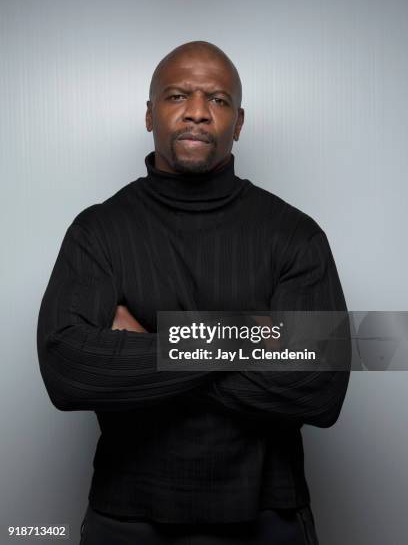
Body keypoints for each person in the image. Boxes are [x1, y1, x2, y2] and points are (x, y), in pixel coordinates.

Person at [37, 40, 351, 544]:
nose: (199, 113)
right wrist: (251, 338)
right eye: (178, 95)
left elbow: (322, 389)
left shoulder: (295, 234)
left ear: (239, 122)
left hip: (268, 518)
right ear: (149, 114)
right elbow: (66, 372)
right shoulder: (97, 231)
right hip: (127, 519)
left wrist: (148, 343)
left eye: (218, 100)